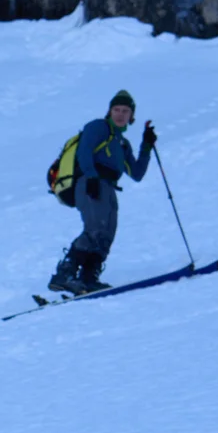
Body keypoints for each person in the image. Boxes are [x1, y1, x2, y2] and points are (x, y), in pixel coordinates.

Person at [50, 90, 157, 295]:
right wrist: (90, 177)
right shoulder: (98, 127)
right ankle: (64, 274)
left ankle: (88, 278)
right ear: (109, 111)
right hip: (90, 182)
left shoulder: (122, 144)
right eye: (116, 109)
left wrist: (146, 145)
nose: (120, 114)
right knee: (95, 229)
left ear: (131, 116)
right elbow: (84, 151)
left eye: (125, 111)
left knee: (107, 233)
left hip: (108, 187)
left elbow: (136, 173)